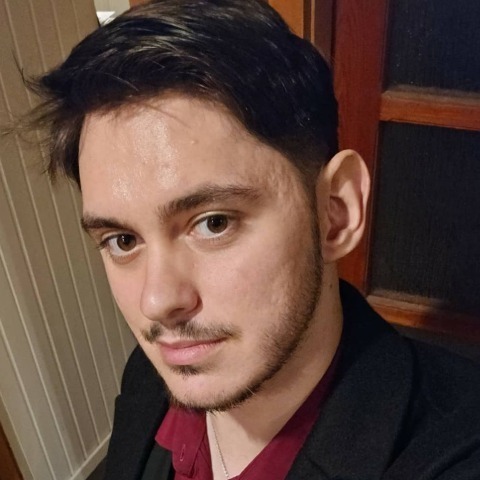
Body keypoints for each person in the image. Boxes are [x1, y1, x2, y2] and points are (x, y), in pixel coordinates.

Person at [21, 0, 480, 479]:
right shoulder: (151, 376)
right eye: (122, 240)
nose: (157, 302)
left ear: (336, 212)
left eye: (214, 223)